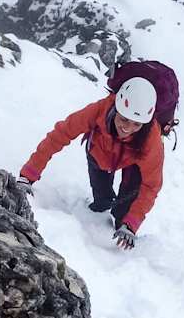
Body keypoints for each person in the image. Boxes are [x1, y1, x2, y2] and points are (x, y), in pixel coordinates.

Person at [17, 77, 164, 250]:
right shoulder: (99, 110)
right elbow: (60, 135)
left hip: (133, 162)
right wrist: (28, 176)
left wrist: (131, 224)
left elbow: (151, 185)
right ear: (116, 108)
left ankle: (121, 229)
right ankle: (102, 209)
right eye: (124, 119)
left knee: (124, 216)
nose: (128, 128)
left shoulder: (150, 139)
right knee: (102, 200)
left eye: (136, 124)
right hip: (99, 154)